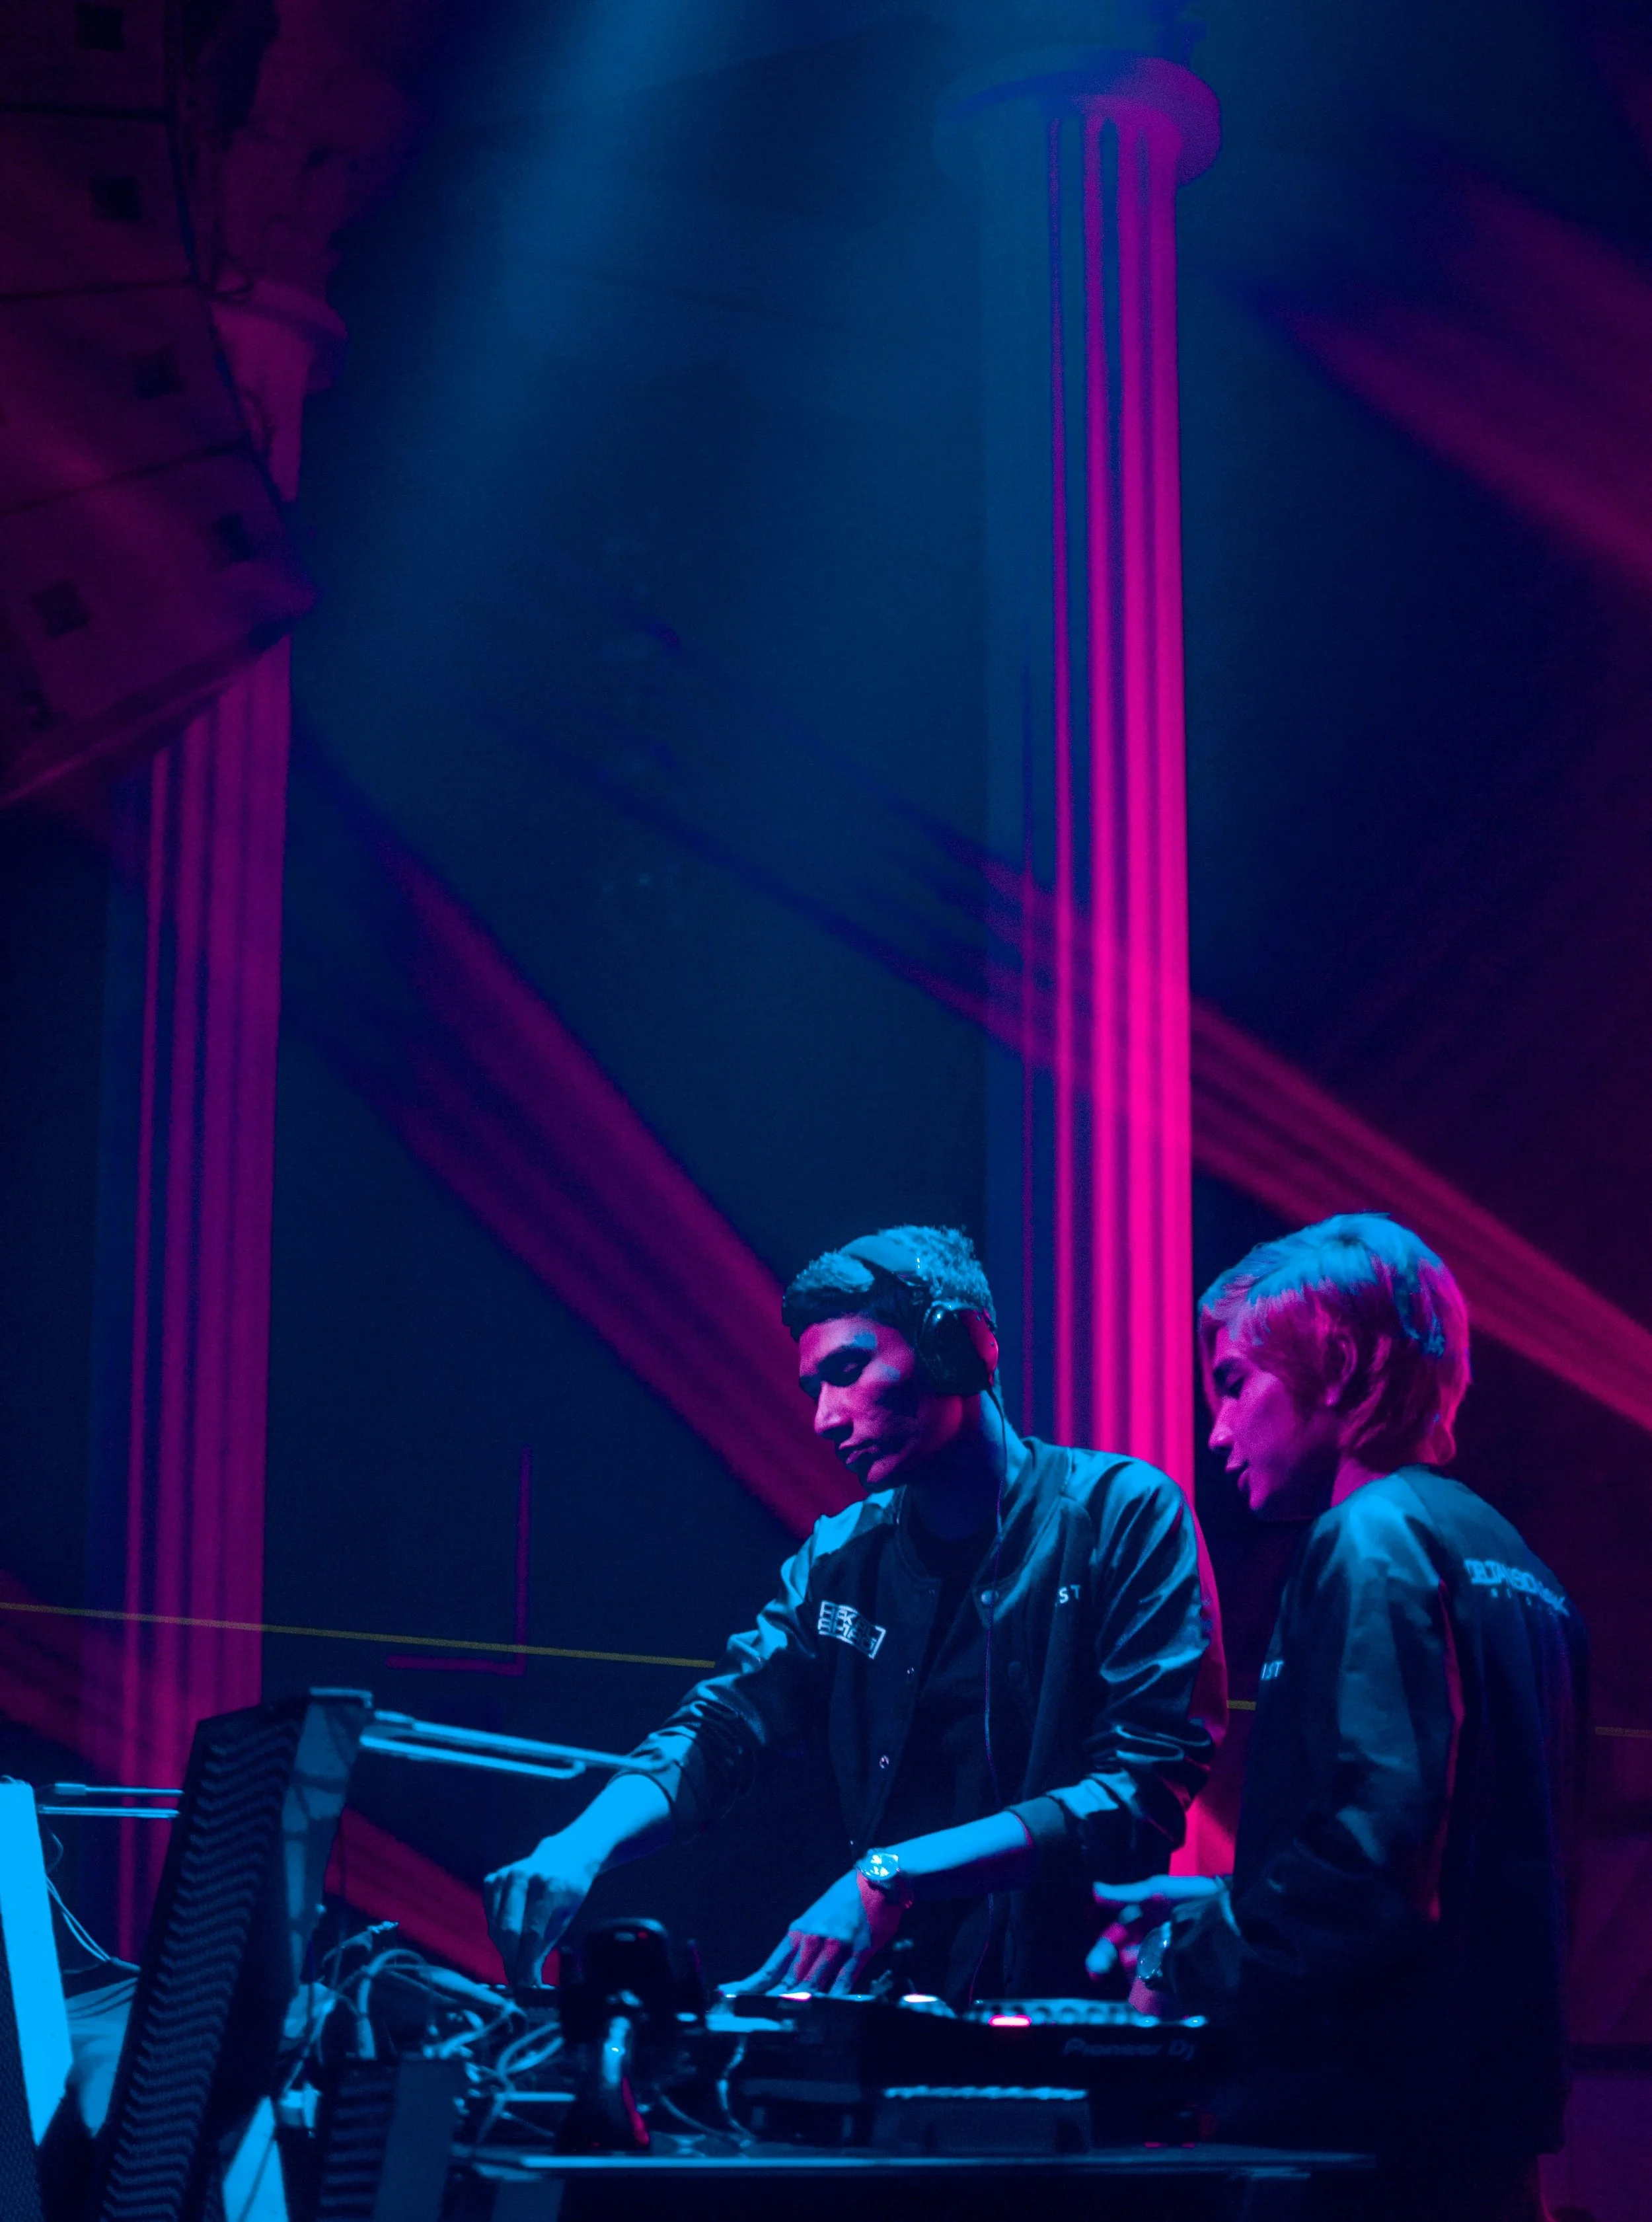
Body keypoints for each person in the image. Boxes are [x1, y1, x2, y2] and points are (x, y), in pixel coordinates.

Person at [486, 1225, 1225, 2004]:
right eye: (815, 1389)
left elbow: (1140, 1788)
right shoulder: (838, 1558)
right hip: (884, 2014)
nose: (824, 1419)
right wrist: (579, 1846)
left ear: (957, 1347)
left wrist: (889, 1874)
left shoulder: (1124, 1516)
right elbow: (724, 1727)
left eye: (847, 1370)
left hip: (1076, 2014)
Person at [1092, 1215, 1587, 2221]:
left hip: (1364, 2140)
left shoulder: (1364, 1542)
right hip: (1482, 2132)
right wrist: (1220, 1900)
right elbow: (1469, 1855)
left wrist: (1185, 1960)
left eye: (1234, 1383)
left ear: (1341, 1365)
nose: (1217, 1429)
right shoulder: (1522, 1565)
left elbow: (1373, 1859)